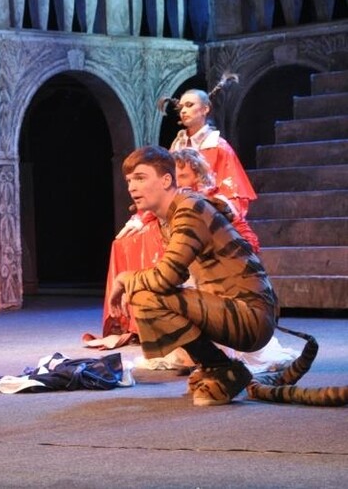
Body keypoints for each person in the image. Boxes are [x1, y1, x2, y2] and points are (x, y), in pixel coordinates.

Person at [107, 146, 278, 406]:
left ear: (166, 180)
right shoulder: (174, 212)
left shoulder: (188, 209)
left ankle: (222, 368)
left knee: (145, 296)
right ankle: (213, 365)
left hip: (251, 317)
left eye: (140, 178)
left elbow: (167, 277)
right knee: (147, 292)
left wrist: (125, 278)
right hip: (234, 308)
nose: (132, 187)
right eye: (129, 181)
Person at [167, 81, 257, 216]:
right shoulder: (176, 147)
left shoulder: (219, 147)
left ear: (205, 109)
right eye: (181, 107)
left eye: (189, 105)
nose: (183, 111)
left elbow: (234, 193)